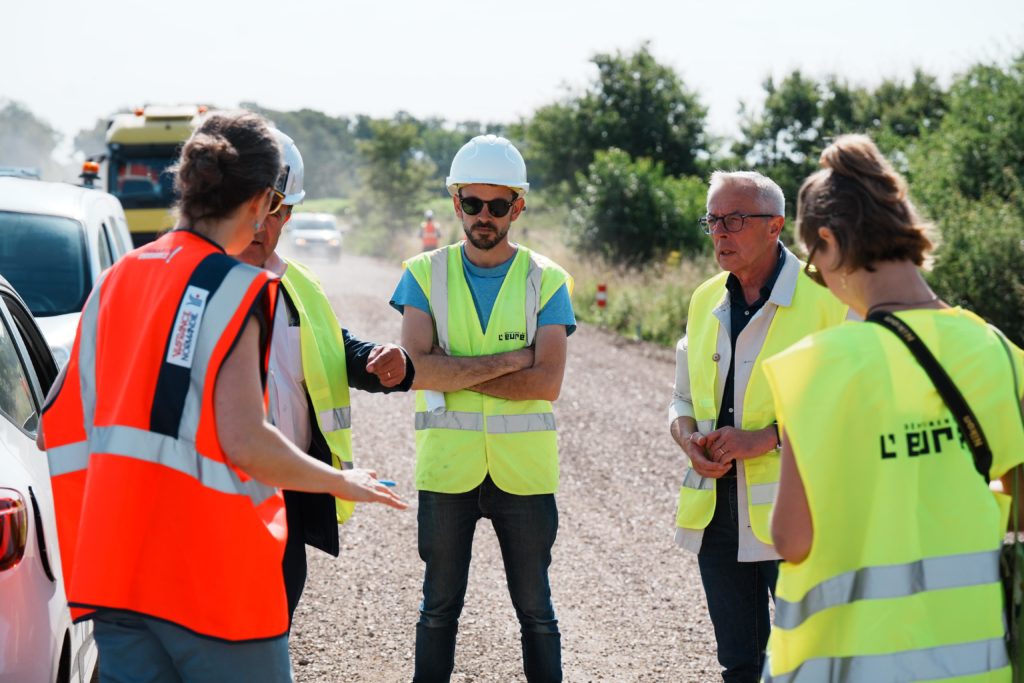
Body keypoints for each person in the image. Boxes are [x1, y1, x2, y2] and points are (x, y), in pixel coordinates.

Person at [40, 111, 406, 683]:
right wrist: (340, 481)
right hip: (212, 581)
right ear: (263, 199)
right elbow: (245, 441)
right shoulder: (237, 290)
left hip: (114, 571)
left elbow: (63, 417)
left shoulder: (119, 278)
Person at [762, 134, 1024, 682]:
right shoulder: (999, 352)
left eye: (814, 267)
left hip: (843, 664)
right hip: (972, 665)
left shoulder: (814, 365)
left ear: (829, 243)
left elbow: (792, 538)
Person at [390, 134, 576, 683]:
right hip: (448, 470)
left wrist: (458, 369)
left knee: (536, 612)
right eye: (473, 203)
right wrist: (512, 359)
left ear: (518, 207)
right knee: (438, 609)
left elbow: (547, 383)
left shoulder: (548, 279)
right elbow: (416, 369)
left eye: (498, 205)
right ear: (456, 203)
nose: (484, 216)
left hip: (525, 473)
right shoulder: (421, 274)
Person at [669, 171, 847, 682]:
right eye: (713, 220)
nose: (720, 232)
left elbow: (846, 408)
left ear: (776, 226)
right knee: (740, 664)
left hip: (795, 513)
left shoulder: (825, 299)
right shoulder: (705, 298)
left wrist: (766, 438)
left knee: (812, 659)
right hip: (716, 513)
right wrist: (688, 439)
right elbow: (681, 398)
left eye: (735, 219)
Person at [237, 128, 415, 625]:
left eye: (276, 210)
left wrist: (379, 362)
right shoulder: (189, 287)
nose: (261, 223)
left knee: (273, 630)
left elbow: (330, 347)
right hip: (213, 500)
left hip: (286, 496)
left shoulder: (296, 285)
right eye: (251, 206)